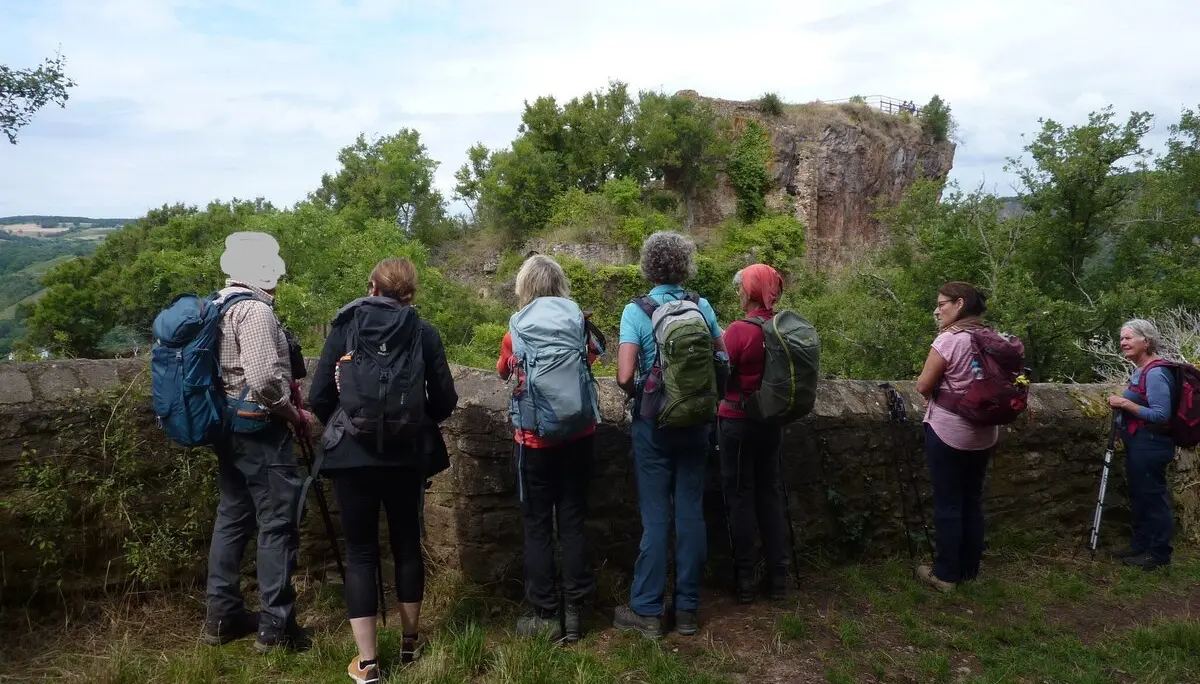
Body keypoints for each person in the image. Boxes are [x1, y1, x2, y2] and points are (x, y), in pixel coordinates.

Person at [308, 258, 459, 683]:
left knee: (360, 553)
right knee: (408, 544)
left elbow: (318, 394)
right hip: (407, 458)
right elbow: (446, 401)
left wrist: (349, 422)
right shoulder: (424, 333)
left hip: (352, 459)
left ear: (371, 287)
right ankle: (410, 643)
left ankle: (368, 663)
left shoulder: (345, 326)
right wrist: (409, 422)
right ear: (411, 293)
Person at [202, 231, 314, 653]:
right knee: (277, 525)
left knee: (231, 518)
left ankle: (222, 617)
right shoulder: (253, 312)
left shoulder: (218, 304)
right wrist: (294, 413)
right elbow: (266, 380)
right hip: (259, 432)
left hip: (226, 426)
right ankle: (276, 628)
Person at [613, 231, 725, 638]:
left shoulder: (635, 311)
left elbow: (625, 375)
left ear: (647, 266)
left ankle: (646, 611)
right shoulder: (701, 305)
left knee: (656, 516)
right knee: (691, 511)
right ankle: (688, 610)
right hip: (696, 422)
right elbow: (722, 358)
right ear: (685, 266)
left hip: (654, 427)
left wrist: (648, 393)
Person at [497, 255, 603, 643]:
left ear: (525, 286)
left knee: (538, 524)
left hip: (533, 440)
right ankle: (575, 614)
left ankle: (545, 614)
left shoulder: (517, 326)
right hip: (579, 433)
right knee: (573, 520)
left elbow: (503, 370)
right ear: (560, 284)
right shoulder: (578, 319)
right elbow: (591, 358)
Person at [914, 281, 999, 593]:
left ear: (959, 303)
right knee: (972, 500)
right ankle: (970, 570)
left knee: (948, 502)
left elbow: (923, 385)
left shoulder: (950, 340)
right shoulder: (988, 337)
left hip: (949, 431)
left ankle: (946, 574)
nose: (937, 310)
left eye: (942, 304)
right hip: (985, 433)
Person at [719, 264, 791, 603]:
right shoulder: (783, 328)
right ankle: (779, 576)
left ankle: (744, 578)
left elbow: (720, 373)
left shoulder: (739, 331)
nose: (738, 294)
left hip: (737, 421)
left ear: (748, 292)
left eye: (740, 289)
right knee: (770, 496)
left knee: (740, 497)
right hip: (771, 423)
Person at [1106, 319, 1176, 571]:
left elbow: (1161, 414)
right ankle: (1140, 546)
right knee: (1140, 497)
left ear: (1146, 341)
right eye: (1122, 338)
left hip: (1153, 445)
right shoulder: (1141, 370)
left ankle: (1158, 554)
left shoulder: (1156, 373)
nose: (1123, 342)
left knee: (1153, 498)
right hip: (1141, 444)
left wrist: (1124, 404)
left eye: (1128, 338)